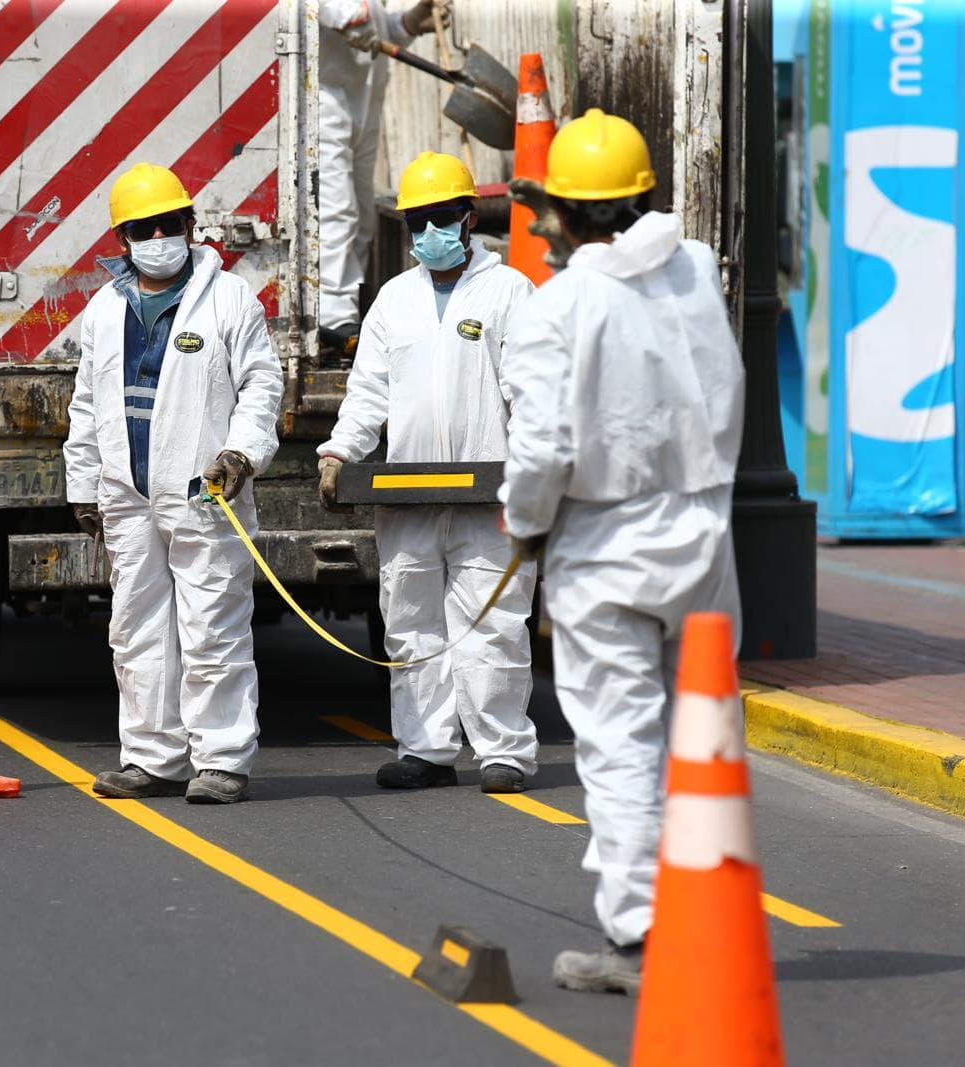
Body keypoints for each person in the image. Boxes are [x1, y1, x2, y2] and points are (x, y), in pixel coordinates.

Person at [500, 109, 745, 994]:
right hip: (704, 531)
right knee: (704, 738)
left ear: (559, 212)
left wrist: (524, 523)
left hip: (605, 542)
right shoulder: (699, 273)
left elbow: (542, 451)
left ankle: (640, 937)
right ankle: (710, 919)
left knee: (619, 742)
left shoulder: (554, 308)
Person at [317, 152, 539, 793]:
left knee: (493, 624)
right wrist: (339, 453)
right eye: (418, 223)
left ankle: (502, 751)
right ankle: (426, 750)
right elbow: (368, 396)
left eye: (441, 219)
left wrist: (530, 470)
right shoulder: (394, 300)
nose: (429, 234)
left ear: (470, 219)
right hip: (409, 497)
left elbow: (529, 394)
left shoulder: (508, 293)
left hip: (489, 499)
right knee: (411, 619)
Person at [63, 162, 284, 805]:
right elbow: (86, 402)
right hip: (127, 495)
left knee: (213, 624)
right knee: (136, 629)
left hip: (204, 492)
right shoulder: (103, 310)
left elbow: (261, 386)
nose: (158, 236)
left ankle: (220, 759)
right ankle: (151, 757)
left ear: (190, 226)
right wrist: (83, 484)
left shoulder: (229, 299)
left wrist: (240, 454)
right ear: (122, 239)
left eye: (169, 224)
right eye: (143, 228)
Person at [317, 0, 440, 363]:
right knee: (336, 209)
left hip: (362, 98)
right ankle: (334, 316)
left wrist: (407, 23)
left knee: (361, 212)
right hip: (324, 92)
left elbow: (374, 26)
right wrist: (346, 16)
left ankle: (350, 311)